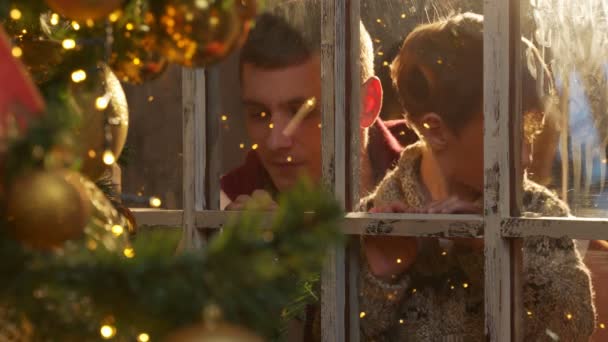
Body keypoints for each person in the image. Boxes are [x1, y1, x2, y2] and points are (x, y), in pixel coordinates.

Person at [359, 13, 595, 341]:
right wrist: (380, 279)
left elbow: (575, 327)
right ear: (434, 128)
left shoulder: (540, 214)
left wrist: (497, 255)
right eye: (505, 134)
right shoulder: (373, 223)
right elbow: (327, 330)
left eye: (530, 130)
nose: (527, 156)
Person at [220, 0, 417, 210]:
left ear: (366, 103)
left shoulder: (434, 164)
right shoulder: (225, 200)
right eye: (259, 114)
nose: (275, 141)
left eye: (301, 112)